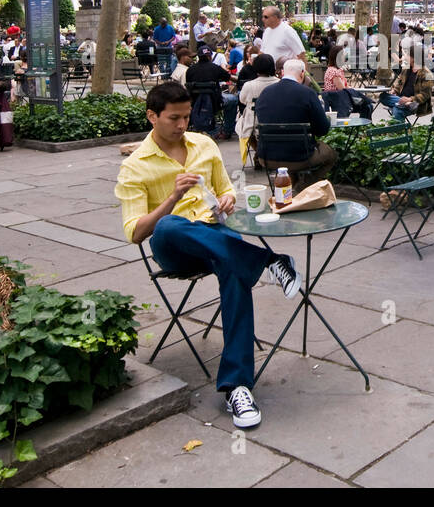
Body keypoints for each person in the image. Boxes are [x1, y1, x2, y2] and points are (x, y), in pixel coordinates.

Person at [116, 81, 298, 429]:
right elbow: (137, 233)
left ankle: (237, 386)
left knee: (233, 270)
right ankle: (268, 261)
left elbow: (224, 189)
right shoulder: (135, 166)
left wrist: (228, 198)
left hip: (215, 235)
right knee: (169, 224)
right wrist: (170, 198)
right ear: (152, 116)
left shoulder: (204, 144)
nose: (183, 124)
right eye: (174, 118)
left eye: (186, 116)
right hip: (173, 246)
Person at [255, 58, 338, 188]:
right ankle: (303, 186)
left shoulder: (265, 93)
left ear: (282, 73)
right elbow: (323, 130)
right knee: (331, 155)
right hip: (300, 157)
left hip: (266, 157)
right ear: (302, 74)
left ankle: (290, 188)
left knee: (293, 149)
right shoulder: (308, 93)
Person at [185, 45, 237, 139]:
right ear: (210, 56)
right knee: (233, 100)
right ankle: (227, 130)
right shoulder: (215, 68)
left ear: (199, 57)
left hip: (195, 103)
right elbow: (228, 77)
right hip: (215, 102)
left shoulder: (190, 70)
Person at [236, 52, 279, 165]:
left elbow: (242, 100)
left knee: (242, 125)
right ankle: (263, 153)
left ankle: (259, 152)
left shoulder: (249, 85)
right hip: (276, 121)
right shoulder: (279, 83)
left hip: (254, 122)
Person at [379, 48, 433, 122]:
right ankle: (405, 104)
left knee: (397, 110)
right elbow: (399, 85)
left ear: (414, 58)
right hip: (401, 99)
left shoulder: (427, 74)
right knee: (382, 96)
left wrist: (410, 99)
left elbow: (425, 95)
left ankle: (405, 105)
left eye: (408, 55)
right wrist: (395, 91)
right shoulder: (406, 69)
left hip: (416, 103)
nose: (405, 57)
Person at [321, 45, 372, 119]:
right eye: (343, 55)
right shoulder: (333, 71)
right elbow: (343, 89)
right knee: (367, 106)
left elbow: (346, 87)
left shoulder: (338, 70)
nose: (345, 57)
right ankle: (364, 126)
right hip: (339, 102)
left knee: (368, 106)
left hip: (343, 99)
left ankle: (364, 126)